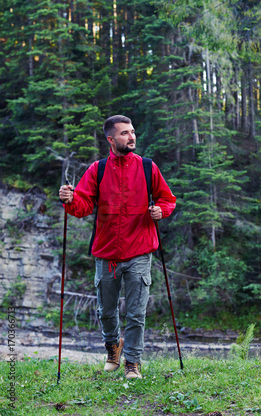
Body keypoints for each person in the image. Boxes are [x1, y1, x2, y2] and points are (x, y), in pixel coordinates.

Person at [59, 115, 176, 379]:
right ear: (111, 139)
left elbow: (167, 199)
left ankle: (132, 363)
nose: (131, 137)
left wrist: (161, 211)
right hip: (107, 254)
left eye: (132, 132)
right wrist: (69, 199)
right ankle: (113, 348)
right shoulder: (97, 169)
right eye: (124, 133)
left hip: (140, 251)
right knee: (106, 312)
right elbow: (83, 206)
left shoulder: (147, 167)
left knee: (136, 313)